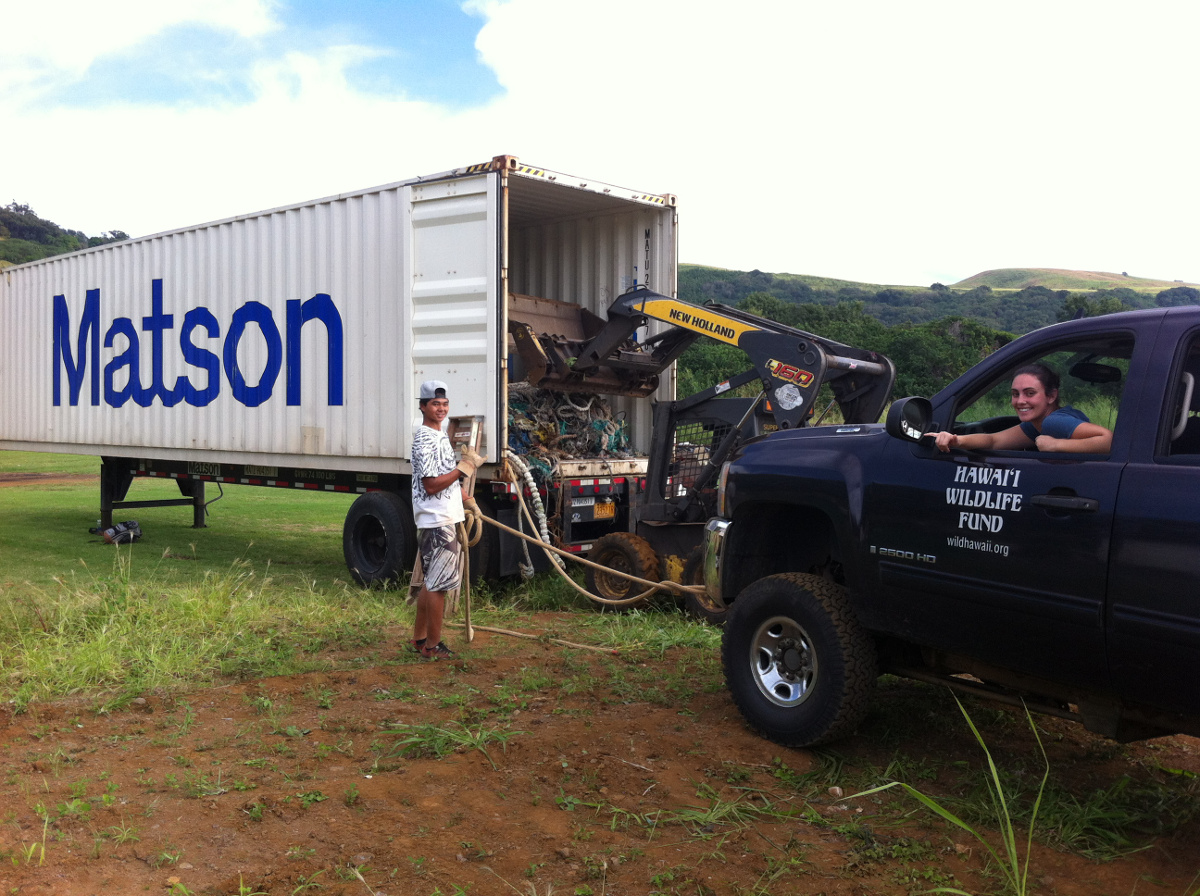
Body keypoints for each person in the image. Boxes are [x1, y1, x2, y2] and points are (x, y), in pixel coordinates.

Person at [410, 380, 482, 659]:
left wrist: (466, 498)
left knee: (431, 581)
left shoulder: (439, 436)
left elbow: (444, 476)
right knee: (439, 586)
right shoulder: (425, 438)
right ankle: (433, 646)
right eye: (434, 404)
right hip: (437, 520)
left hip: (442, 515)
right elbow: (430, 485)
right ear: (423, 407)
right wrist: (464, 469)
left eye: (444, 404)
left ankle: (420, 640)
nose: (441, 408)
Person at [934, 363, 1113, 455]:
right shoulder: (1036, 424)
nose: (1020, 401)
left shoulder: (1054, 421)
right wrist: (956, 440)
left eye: (1030, 393)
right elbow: (993, 441)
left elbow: (1109, 441)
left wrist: (1056, 445)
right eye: (1015, 394)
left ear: (1051, 396)